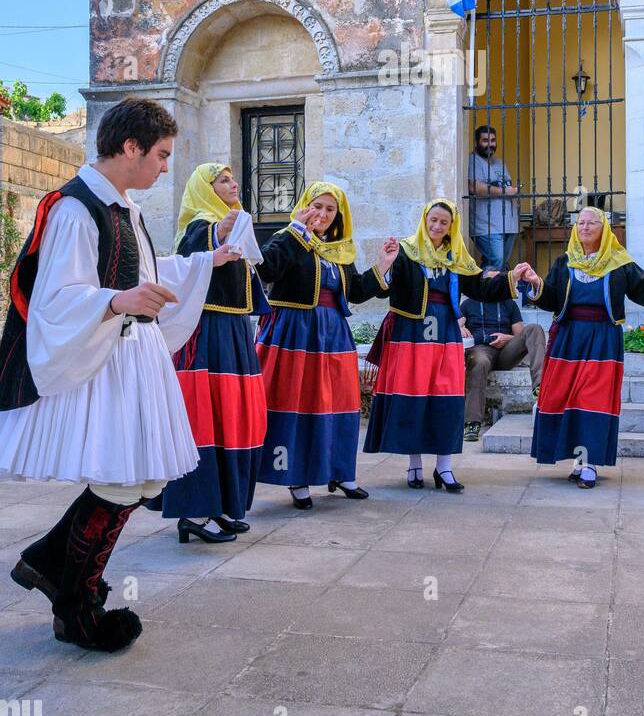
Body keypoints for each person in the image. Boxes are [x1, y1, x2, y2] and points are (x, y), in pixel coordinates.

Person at [0, 98, 242, 651]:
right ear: (130, 147)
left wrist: (206, 262)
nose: (164, 166)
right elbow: (56, 300)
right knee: (119, 479)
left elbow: (143, 276)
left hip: (133, 357)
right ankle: (77, 607)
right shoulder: (74, 209)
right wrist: (115, 302)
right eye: (160, 154)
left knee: (140, 480)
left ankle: (51, 564)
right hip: (105, 361)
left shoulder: (121, 205)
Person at [363, 199, 533, 490]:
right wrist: (385, 266)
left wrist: (510, 278)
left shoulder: (458, 257)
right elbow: (384, 289)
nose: (437, 226)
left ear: (451, 225)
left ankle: (444, 468)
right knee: (413, 398)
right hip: (411, 336)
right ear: (424, 219)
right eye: (433, 220)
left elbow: (482, 288)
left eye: (443, 222)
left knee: (447, 400)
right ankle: (414, 465)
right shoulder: (406, 252)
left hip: (445, 337)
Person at [518, 208, 644, 487]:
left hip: (602, 340)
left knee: (593, 401)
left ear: (605, 229)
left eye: (592, 223)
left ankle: (589, 464)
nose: (586, 227)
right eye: (581, 222)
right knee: (569, 400)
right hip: (568, 339)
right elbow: (552, 298)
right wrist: (536, 283)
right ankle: (577, 461)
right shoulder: (565, 262)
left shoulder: (618, 263)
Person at [255, 182, 397, 509]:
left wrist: (382, 265)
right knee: (299, 405)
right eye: (316, 206)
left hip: (333, 334)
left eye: (329, 209)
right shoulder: (287, 238)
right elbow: (267, 267)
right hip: (296, 333)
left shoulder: (339, 251)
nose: (321, 214)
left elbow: (356, 292)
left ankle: (340, 472)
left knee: (340, 405)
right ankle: (296, 477)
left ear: (338, 216)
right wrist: (297, 231)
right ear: (305, 205)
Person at [151, 163, 269, 543]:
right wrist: (220, 230)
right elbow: (193, 252)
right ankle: (194, 513)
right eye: (222, 180)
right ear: (205, 189)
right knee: (205, 418)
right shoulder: (200, 225)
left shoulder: (232, 225)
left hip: (232, 335)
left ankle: (218, 506)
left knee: (230, 419)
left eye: (234, 178)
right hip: (206, 337)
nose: (233, 184)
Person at [460, 269, 547, 441]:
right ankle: (472, 422)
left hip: (506, 351)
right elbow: (456, 324)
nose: (495, 285)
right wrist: (460, 328)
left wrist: (507, 338)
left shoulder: (509, 303)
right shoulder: (469, 303)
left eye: (498, 281)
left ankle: (540, 387)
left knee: (535, 329)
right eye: (491, 281)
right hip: (481, 350)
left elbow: (520, 334)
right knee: (478, 361)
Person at [467, 125, 519, 269]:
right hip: (486, 226)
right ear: (476, 142)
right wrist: (504, 192)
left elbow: (506, 186)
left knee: (500, 265)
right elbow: (473, 187)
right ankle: (485, 291)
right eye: (485, 140)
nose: (490, 144)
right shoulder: (473, 160)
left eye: (493, 140)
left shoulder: (499, 163)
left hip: (508, 224)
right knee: (496, 261)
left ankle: (495, 291)